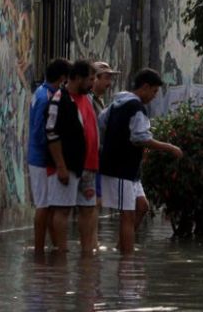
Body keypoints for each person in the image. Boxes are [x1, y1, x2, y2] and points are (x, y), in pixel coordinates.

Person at [99, 68, 183, 254]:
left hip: (130, 170)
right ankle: (126, 261)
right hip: (120, 169)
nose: (154, 97)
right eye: (154, 92)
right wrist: (170, 148)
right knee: (127, 215)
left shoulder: (117, 103)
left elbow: (102, 122)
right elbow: (141, 138)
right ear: (145, 87)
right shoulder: (135, 107)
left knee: (142, 207)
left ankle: (122, 247)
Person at [45, 60, 98, 253]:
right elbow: (51, 132)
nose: (92, 83)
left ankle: (86, 254)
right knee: (62, 209)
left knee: (88, 209)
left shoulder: (87, 98)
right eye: (90, 79)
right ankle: (61, 254)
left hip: (89, 165)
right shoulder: (60, 99)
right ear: (77, 78)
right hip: (68, 166)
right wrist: (60, 166)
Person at [27, 58, 71, 254]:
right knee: (44, 204)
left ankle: (53, 247)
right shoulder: (46, 97)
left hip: (40, 158)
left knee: (49, 205)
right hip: (41, 159)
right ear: (62, 78)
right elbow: (39, 132)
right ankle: (39, 250)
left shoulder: (43, 93)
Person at [89, 61, 121, 248]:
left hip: (99, 158)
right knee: (94, 202)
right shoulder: (89, 101)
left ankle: (93, 243)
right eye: (107, 78)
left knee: (96, 203)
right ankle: (91, 245)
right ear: (95, 79)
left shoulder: (99, 101)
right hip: (92, 158)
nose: (110, 83)